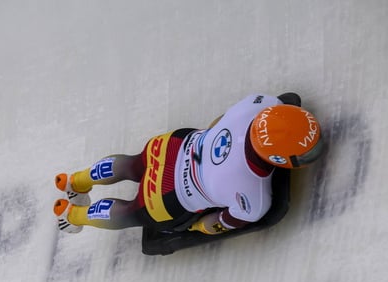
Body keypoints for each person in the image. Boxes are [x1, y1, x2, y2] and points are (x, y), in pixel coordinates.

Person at [52, 94, 324, 235]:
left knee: (134, 164)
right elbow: (220, 222)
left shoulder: (261, 103)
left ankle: (75, 180)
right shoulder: (253, 196)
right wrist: (193, 228)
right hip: (170, 195)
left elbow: (218, 122)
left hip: (174, 145)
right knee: (132, 213)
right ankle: (72, 216)